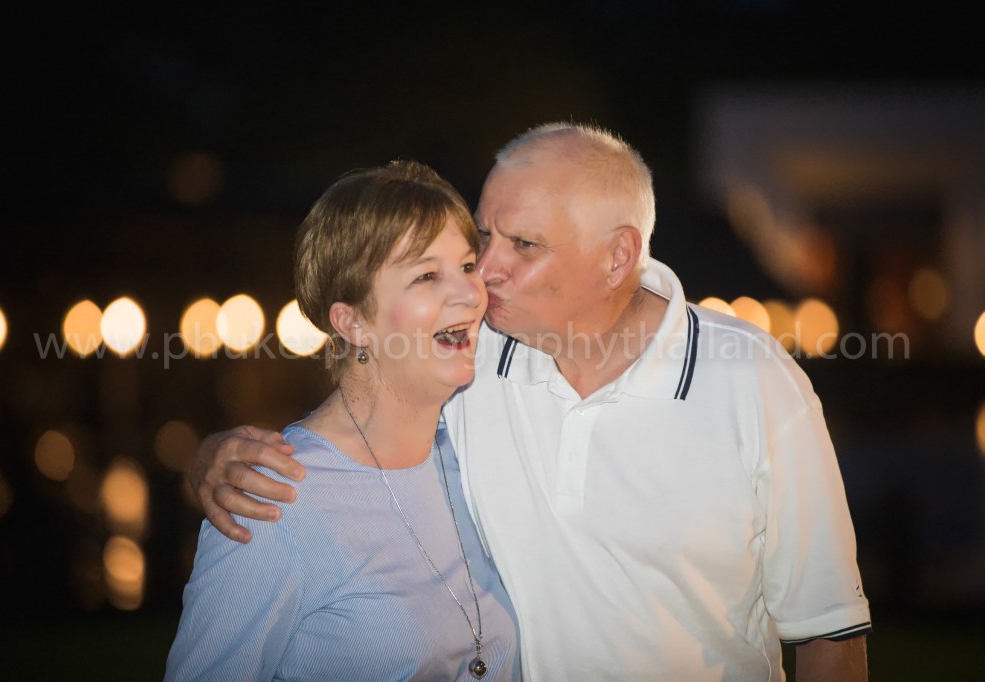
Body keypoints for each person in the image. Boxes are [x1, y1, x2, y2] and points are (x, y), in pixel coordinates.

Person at [192, 123, 872, 681]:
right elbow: (362, 415)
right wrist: (211, 460)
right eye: (484, 238)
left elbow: (830, 637)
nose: (483, 274)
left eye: (522, 245)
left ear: (616, 258)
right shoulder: (471, 358)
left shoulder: (752, 380)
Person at [166, 161, 520, 681]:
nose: (470, 293)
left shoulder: (480, 445)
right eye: (426, 275)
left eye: (467, 266)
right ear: (351, 321)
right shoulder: (275, 497)